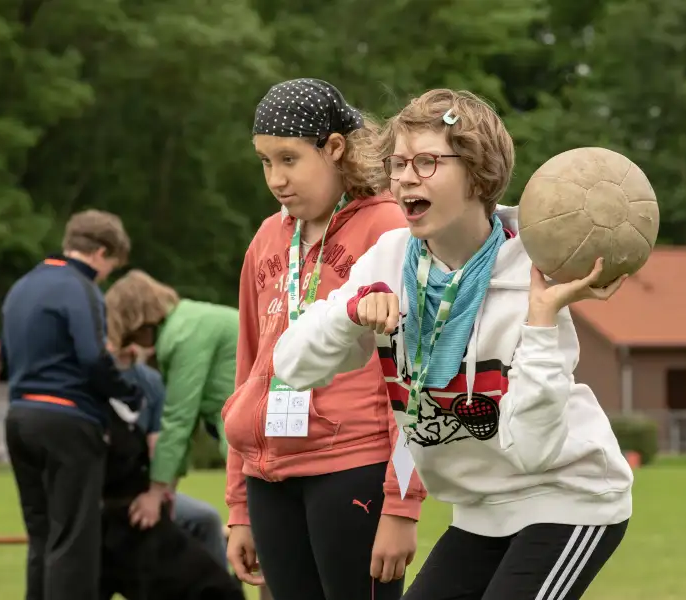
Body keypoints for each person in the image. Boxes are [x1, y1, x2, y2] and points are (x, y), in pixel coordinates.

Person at [272, 89, 634, 600]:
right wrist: (349, 313)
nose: (404, 178)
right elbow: (292, 365)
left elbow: (533, 449)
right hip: (479, 509)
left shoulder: (533, 273)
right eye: (398, 163)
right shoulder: (388, 258)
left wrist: (540, 321)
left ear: (479, 174)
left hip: (568, 496)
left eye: (426, 162)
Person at [223, 78, 425, 600]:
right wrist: (239, 507)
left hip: (352, 467)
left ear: (335, 148)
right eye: (265, 162)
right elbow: (249, 370)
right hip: (268, 479)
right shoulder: (267, 237)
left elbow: (416, 376)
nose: (276, 179)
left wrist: (401, 505)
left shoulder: (390, 229)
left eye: (289, 159)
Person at [0, 209, 144, 600]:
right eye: (110, 266)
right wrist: (129, 393)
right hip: (67, 421)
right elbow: (92, 358)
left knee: (41, 537)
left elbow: (5, 362)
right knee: (73, 540)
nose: (105, 276)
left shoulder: (21, 287)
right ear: (101, 252)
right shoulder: (80, 288)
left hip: (19, 417)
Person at [104, 269, 237, 564]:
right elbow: (185, 424)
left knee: (267, 546)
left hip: (256, 438)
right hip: (257, 433)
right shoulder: (190, 320)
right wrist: (168, 492)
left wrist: (155, 495)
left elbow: (178, 420)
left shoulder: (184, 334)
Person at [111, 340, 230, 570]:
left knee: (206, 518)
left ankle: (219, 587)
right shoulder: (88, 375)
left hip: (143, 489)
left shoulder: (150, 381)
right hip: (98, 492)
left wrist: (159, 493)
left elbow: (163, 442)